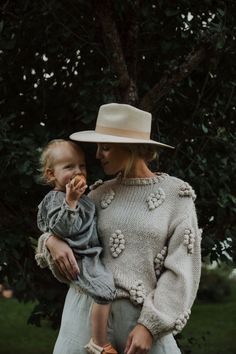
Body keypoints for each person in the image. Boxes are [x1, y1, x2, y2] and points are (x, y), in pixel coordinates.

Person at [36, 103, 202, 354]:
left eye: (106, 147)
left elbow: (182, 269)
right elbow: (67, 231)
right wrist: (50, 241)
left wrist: (150, 326)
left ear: (132, 147)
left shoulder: (177, 197)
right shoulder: (95, 194)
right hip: (83, 318)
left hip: (141, 326)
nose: (97, 155)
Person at [36, 139, 117, 354]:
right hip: (80, 258)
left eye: (81, 165)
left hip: (90, 254)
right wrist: (70, 202)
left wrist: (76, 199)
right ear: (51, 174)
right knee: (105, 290)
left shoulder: (84, 197)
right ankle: (99, 343)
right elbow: (60, 230)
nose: (78, 171)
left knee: (104, 288)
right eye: (69, 166)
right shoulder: (55, 199)